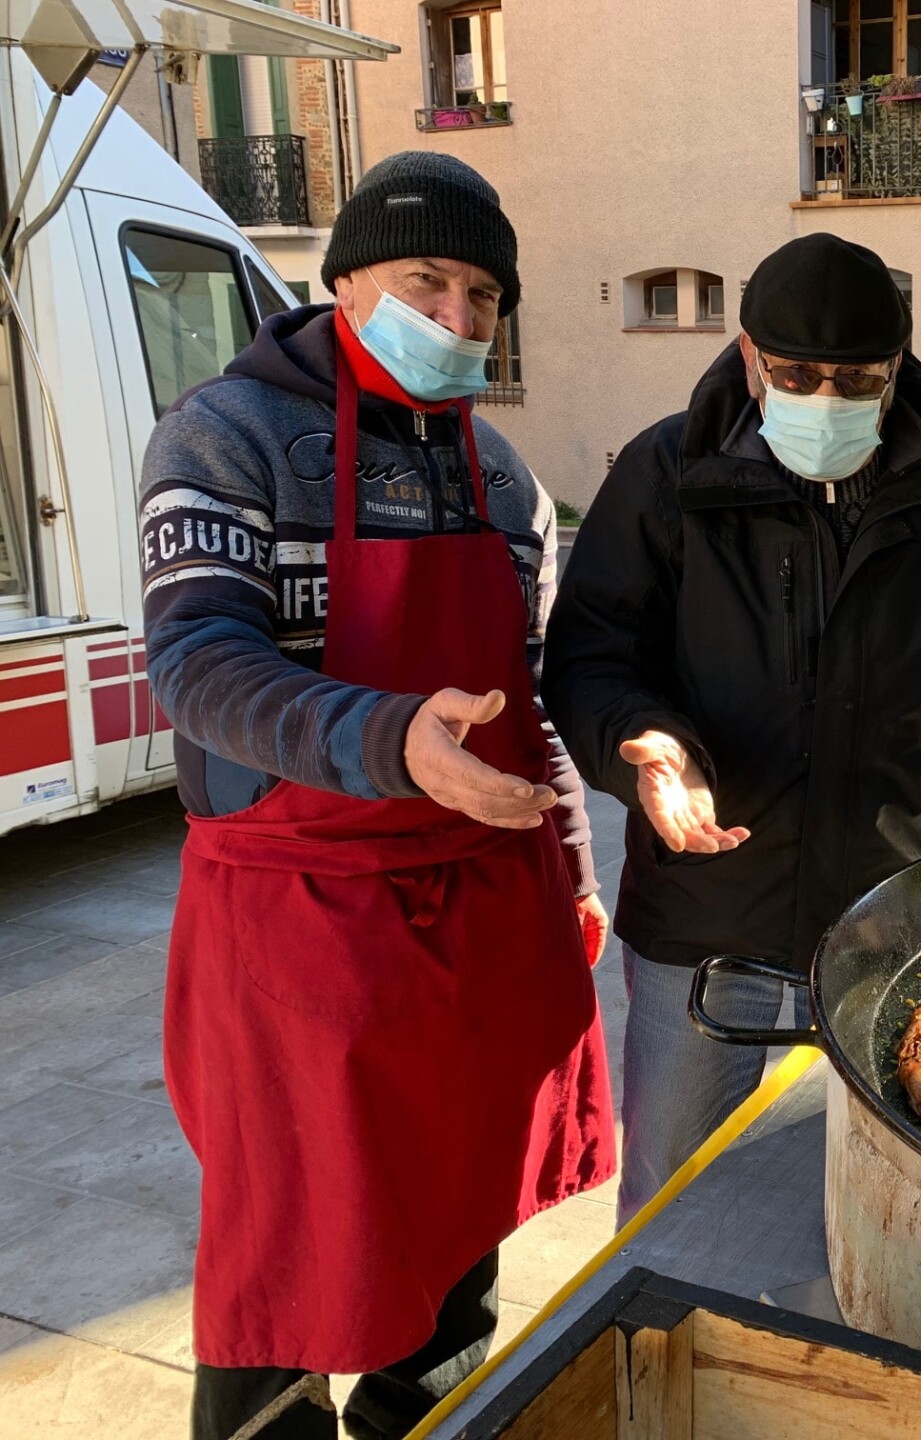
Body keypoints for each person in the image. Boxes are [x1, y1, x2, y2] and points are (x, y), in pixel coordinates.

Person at [142, 152, 615, 1440]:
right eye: (427, 281)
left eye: (483, 294)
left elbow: (526, 702)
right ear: (346, 279)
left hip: (477, 914)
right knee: (292, 1262)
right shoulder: (224, 436)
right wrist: (390, 738)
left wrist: (572, 860)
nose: (459, 318)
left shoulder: (508, 482)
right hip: (300, 930)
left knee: (459, 1232)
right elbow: (197, 665)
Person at [544, 233, 921, 1222]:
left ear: (896, 368)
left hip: (883, 916)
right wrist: (644, 744)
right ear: (747, 356)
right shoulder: (666, 474)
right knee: (670, 1202)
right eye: (797, 374)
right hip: (703, 916)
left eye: (856, 379)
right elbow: (592, 656)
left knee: (871, 1198)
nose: (825, 398)